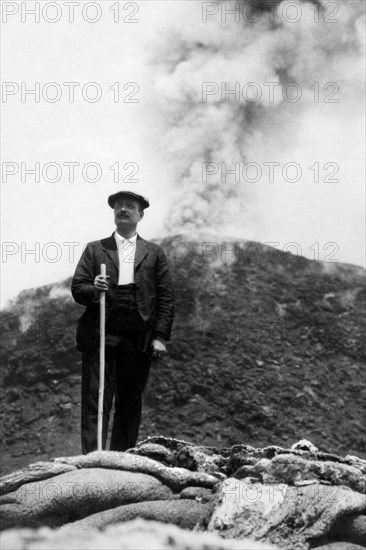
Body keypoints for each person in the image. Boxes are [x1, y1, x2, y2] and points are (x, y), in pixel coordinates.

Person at [71, 190, 175, 453]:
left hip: (138, 338)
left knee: (130, 402)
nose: (123, 209)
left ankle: (121, 461)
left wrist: (160, 336)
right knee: (96, 399)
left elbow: (165, 297)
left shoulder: (154, 253)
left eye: (130, 206)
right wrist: (95, 288)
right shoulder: (95, 249)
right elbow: (77, 288)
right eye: (118, 206)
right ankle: (93, 459)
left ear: (140, 215)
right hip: (101, 334)